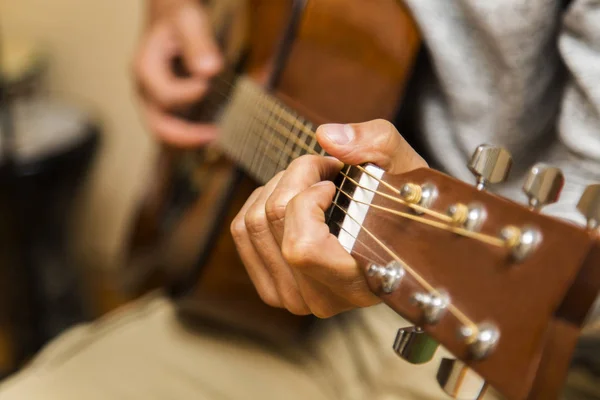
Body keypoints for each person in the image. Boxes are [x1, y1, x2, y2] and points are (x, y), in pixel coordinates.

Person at [0, 0, 599, 399]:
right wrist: (171, 9)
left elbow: (569, 271)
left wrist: (391, 235)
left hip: (464, 315)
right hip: (258, 295)